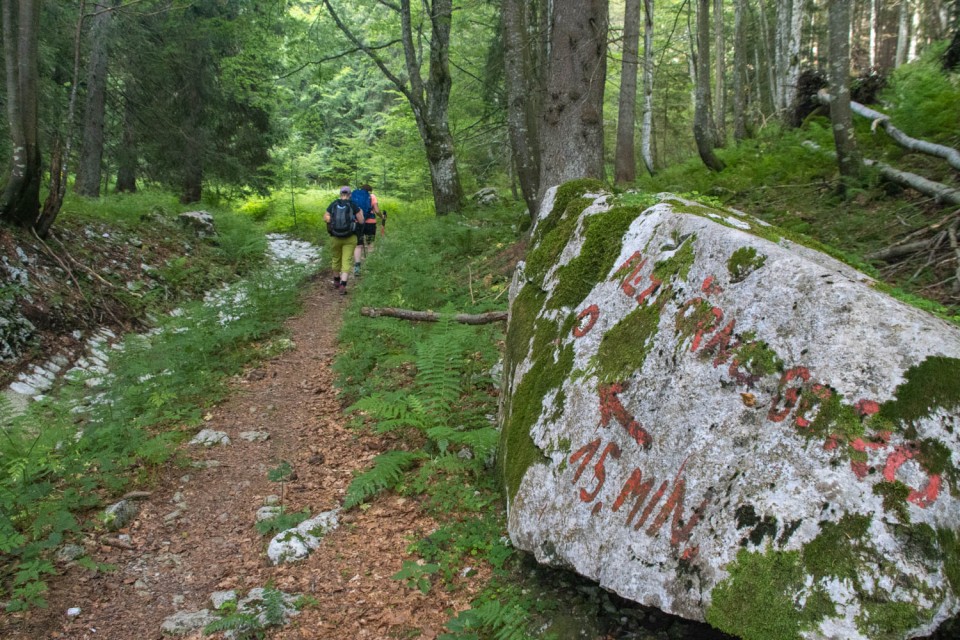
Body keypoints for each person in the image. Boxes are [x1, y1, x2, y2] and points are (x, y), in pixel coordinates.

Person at [325, 186, 364, 295]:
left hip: (335, 236)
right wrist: (359, 213)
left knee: (336, 258)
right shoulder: (353, 205)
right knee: (346, 260)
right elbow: (361, 221)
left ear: (340, 194)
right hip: (350, 237)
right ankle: (343, 285)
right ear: (350, 194)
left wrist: (333, 221)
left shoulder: (333, 204)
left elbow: (326, 218)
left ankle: (336, 281)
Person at [350, 184, 381, 276]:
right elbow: (377, 210)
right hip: (370, 223)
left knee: (358, 245)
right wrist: (382, 217)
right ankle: (370, 266)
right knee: (370, 244)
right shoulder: (372, 196)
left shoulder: (353, 196)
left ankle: (357, 268)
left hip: (357, 223)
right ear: (369, 190)